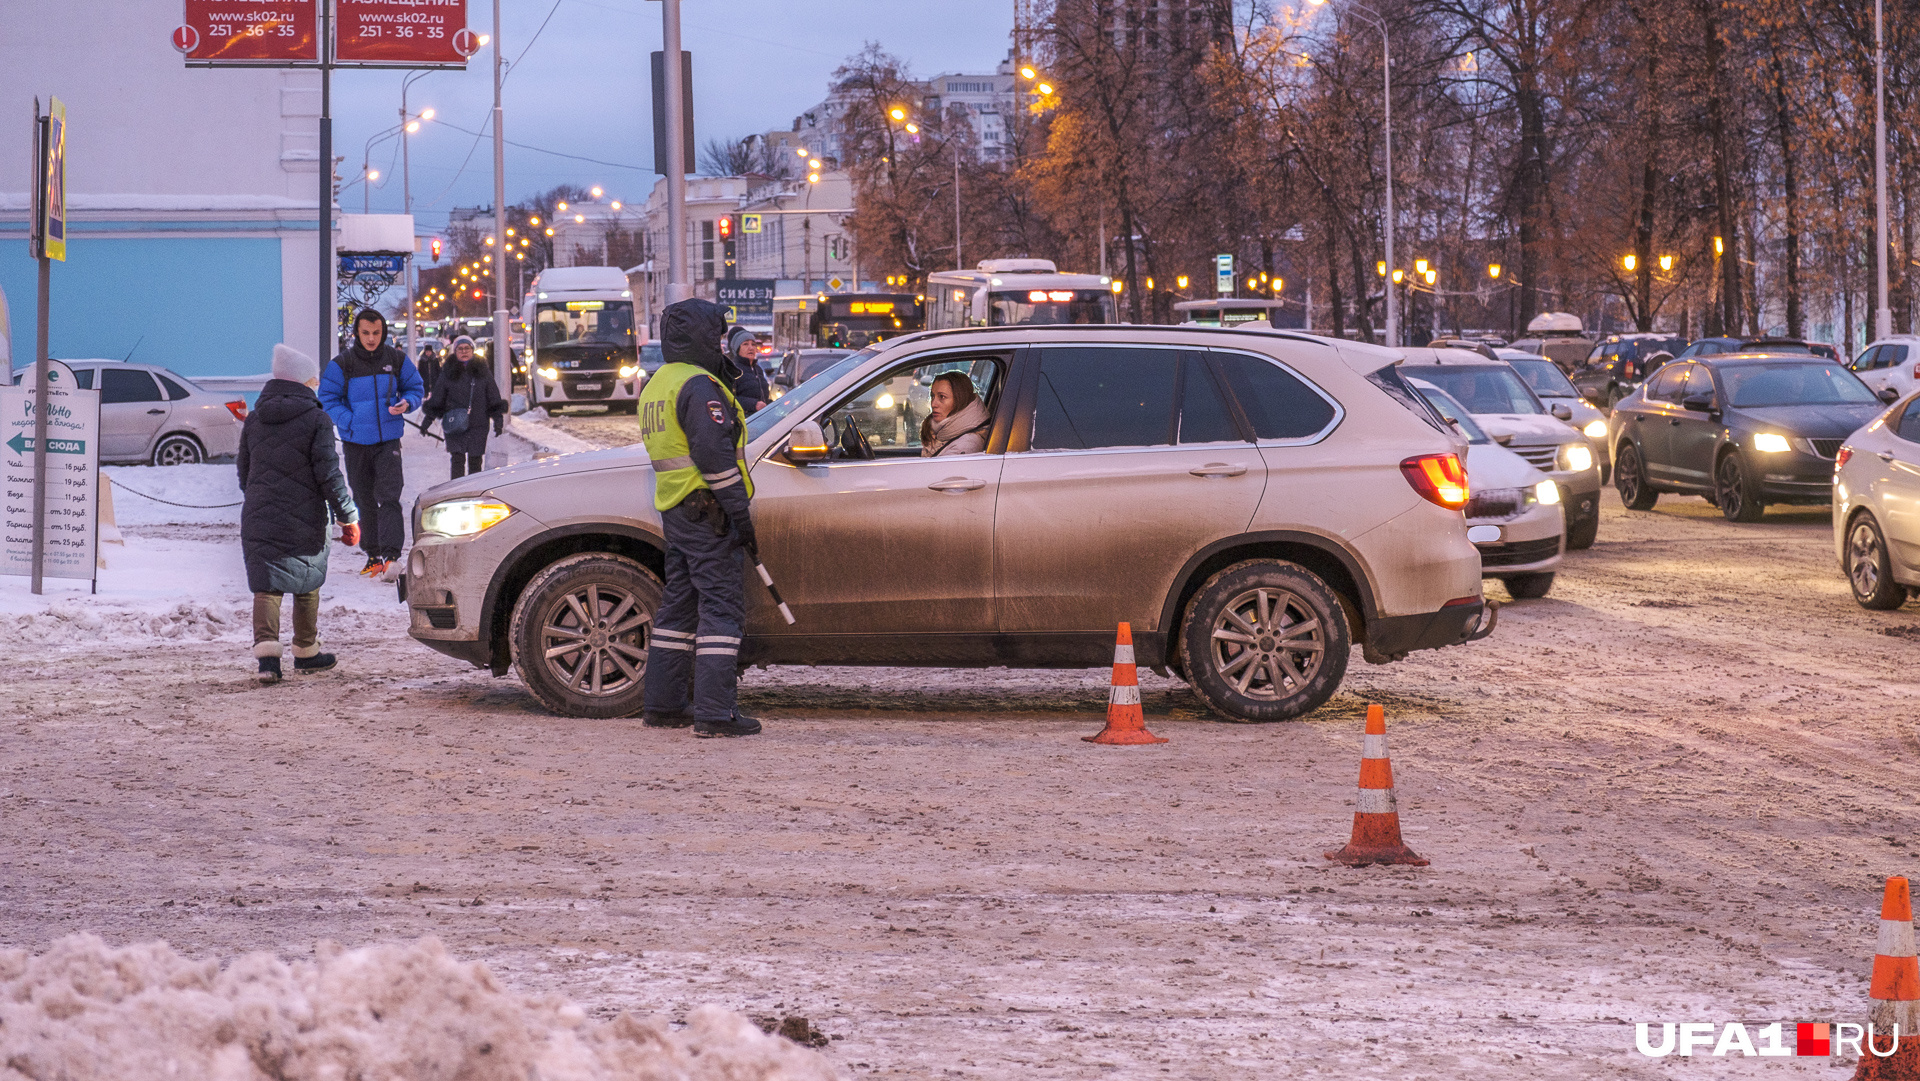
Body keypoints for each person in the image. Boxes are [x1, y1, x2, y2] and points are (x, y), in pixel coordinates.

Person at [638, 298, 761, 738]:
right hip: (709, 513)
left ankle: (663, 705)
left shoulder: (658, 384)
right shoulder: (699, 385)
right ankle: (715, 712)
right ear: (705, 337)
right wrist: (739, 513)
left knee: (678, 608)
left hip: (676, 511)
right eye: (718, 333)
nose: (722, 341)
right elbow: (715, 458)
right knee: (722, 610)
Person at [239, 345, 360, 684]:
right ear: (306, 382)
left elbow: (243, 470)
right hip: (306, 513)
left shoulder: (255, 418)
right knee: (307, 581)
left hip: (260, 512)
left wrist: (261, 497)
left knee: (267, 585)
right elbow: (329, 474)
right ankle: (306, 651)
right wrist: (347, 516)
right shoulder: (317, 418)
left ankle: (267, 662)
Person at [320, 308, 423, 577]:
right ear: (356, 333)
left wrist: (407, 403)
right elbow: (328, 399)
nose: (371, 338)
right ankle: (373, 554)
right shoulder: (342, 364)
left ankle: (391, 555)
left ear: (383, 332)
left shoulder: (397, 359)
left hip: (388, 441)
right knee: (364, 498)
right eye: (365, 333)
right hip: (356, 442)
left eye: (376, 333)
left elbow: (416, 389)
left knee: (389, 497)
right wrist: (349, 420)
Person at [423, 335, 507, 479]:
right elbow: (438, 398)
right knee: (457, 460)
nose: (464, 351)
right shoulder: (447, 372)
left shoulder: (483, 371)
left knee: (475, 461)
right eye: (460, 348)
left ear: (472, 350)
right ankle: (457, 493)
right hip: (454, 423)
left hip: (478, 423)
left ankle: (474, 492)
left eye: (467, 348)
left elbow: (493, 397)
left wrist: (498, 421)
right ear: (454, 351)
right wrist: (427, 420)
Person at [920, 371, 990, 456]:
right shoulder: (940, 434)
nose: (933, 404)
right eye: (932, 396)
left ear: (960, 399)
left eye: (942, 397)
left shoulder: (965, 445)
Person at [725, 326, 770, 413]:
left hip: (763, 420)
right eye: (745, 344)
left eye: (753, 344)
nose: (751, 348)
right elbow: (726, 398)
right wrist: (753, 405)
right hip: (744, 421)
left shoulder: (758, 369)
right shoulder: (732, 370)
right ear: (737, 349)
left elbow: (764, 398)